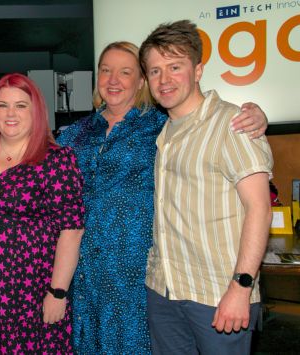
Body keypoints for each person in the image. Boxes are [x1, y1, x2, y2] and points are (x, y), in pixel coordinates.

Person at [56, 41, 269, 353]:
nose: (113, 79)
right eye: (106, 70)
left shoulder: (159, 124)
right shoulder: (73, 134)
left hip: (138, 272)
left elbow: (201, 119)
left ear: (141, 80)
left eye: (125, 72)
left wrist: (257, 116)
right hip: (85, 269)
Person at [139, 20, 273, 354]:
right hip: (163, 291)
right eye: (155, 71)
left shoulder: (232, 125)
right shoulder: (163, 132)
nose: (164, 79)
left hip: (218, 296)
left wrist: (241, 288)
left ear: (198, 70)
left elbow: (260, 209)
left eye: (174, 67)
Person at [0, 73, 85, 353]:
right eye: (2, 105)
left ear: (36, 111)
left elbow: (73, 230)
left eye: (20, 105)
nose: (10, 113)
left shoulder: (56, 159)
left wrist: (58, 292)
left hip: (32, 290)